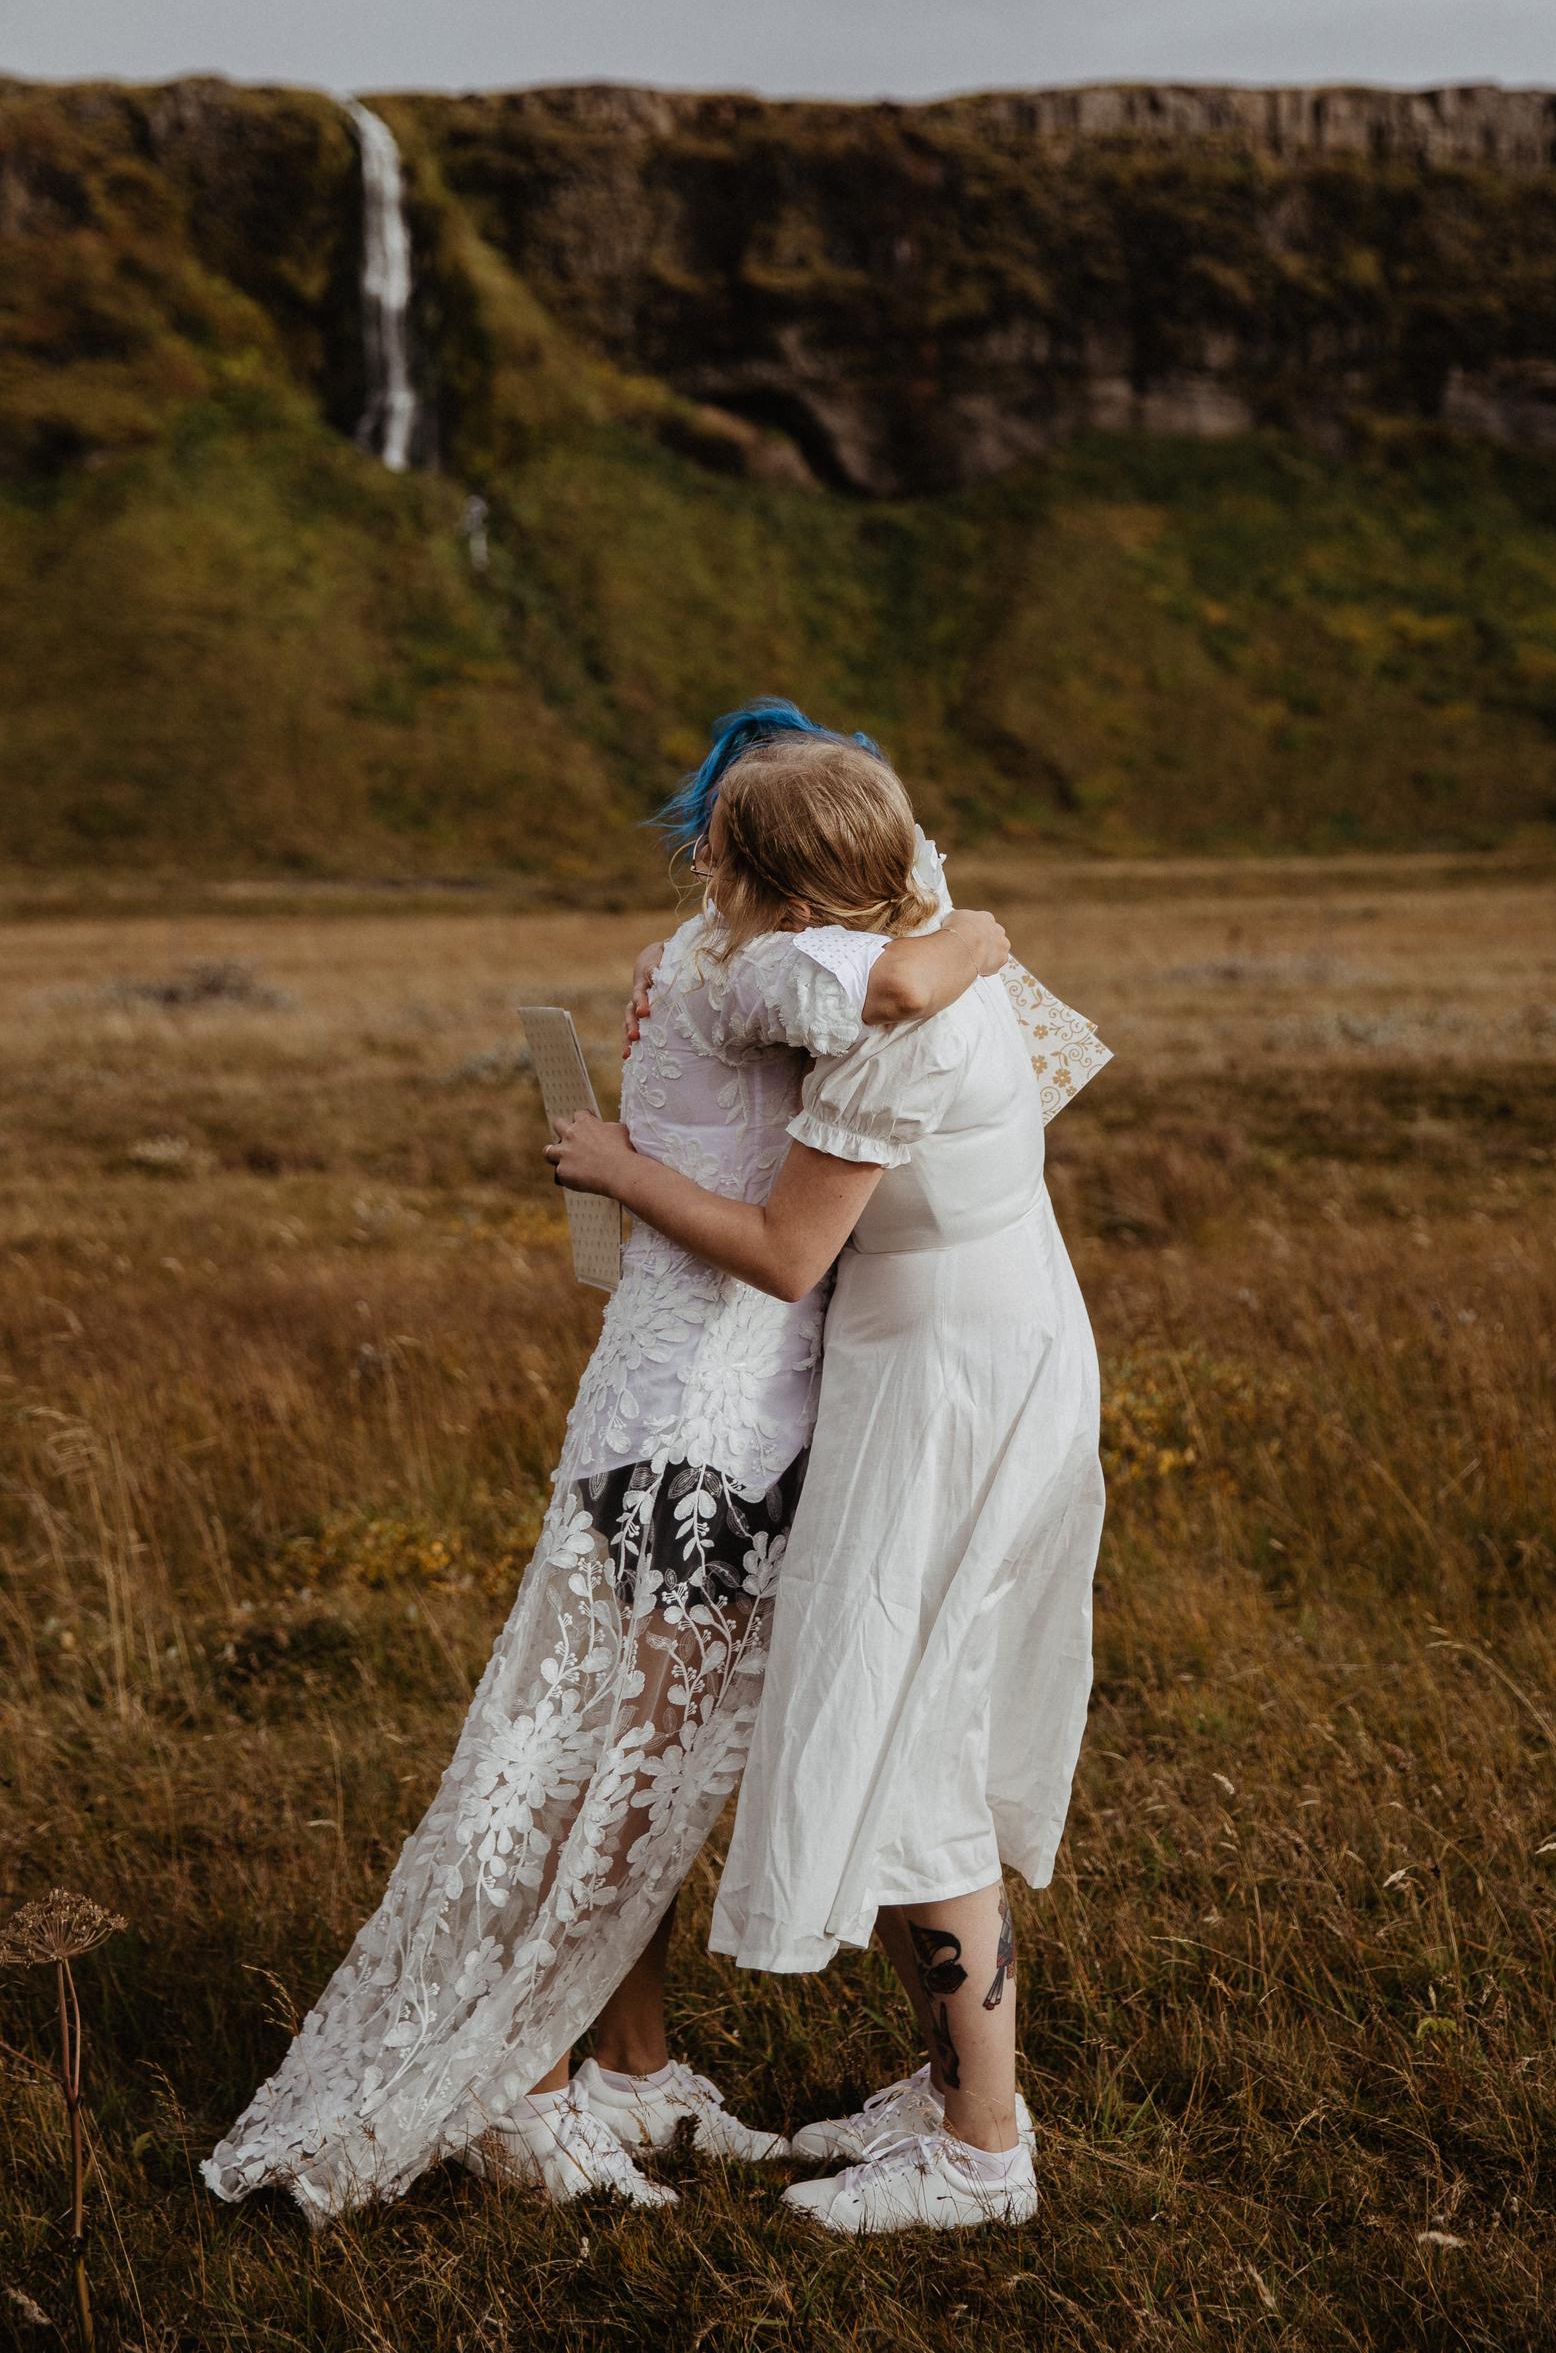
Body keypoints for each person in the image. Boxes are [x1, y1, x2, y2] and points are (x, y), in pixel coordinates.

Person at [200, 708, 1008, 2225]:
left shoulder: (698, 953)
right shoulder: (771, 966)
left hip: (664, 1414)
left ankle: (628, 2072)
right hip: (702, 1437)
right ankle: (534, 2089)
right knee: (615, 1781)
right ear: (787, 888)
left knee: (631, 1757)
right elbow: (903, 969)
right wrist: (980, 931)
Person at [549, 741, 1107, 2236]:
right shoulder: (930, 940)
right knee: (923, 1701)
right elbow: (949, 983)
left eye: (721, 868)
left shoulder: (877, 1023)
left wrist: (616, 1165)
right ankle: (949, 2089)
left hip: (942, 1373)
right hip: (999, 1333)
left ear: (778, 894)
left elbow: (789, 1252)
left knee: (916, 1721)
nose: (706, 893)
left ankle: (985, 2151)